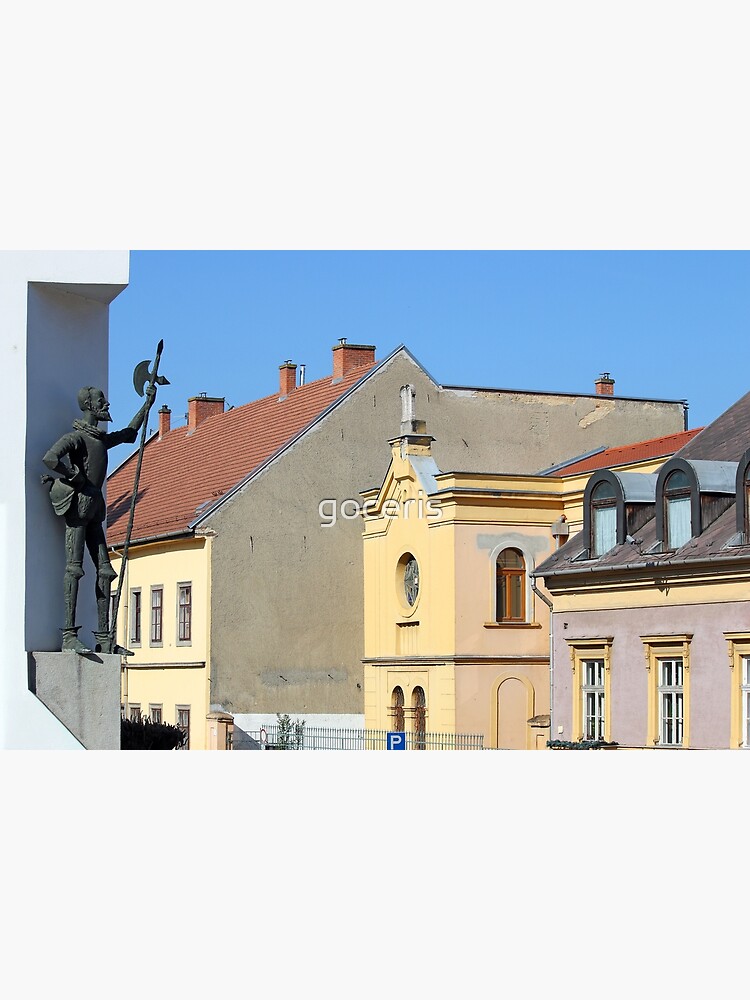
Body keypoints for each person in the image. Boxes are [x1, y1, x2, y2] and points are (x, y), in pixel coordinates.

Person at [43, 383, 156, 653]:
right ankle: (69, 635)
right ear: (89, 405)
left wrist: (147, 405)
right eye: (101, 400)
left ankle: (104, 638)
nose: (106, 404)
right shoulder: (77, 438)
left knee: (105, 570)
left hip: (94, 506)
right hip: (79, 507)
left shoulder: (99, 439)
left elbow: (129, 434)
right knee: (74, 568)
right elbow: (50, 458)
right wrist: (75, 475)